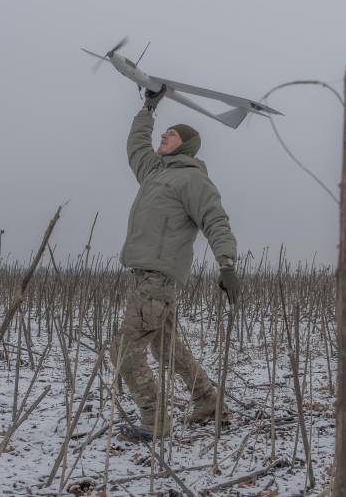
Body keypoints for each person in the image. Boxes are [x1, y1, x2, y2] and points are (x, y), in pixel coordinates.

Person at [110, 85, 241, 442]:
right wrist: (148, 109)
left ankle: (156, 422)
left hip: (158, 276)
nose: (164, 136)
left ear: (184, 145)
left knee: (124, 350)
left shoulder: (192, 179)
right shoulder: (154, 172)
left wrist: (226, 262)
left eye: (171, 135)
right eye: (164, 132)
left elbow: (216, 220)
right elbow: (136, 145)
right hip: (145, 275)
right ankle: (208, 404)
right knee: (167, 348)